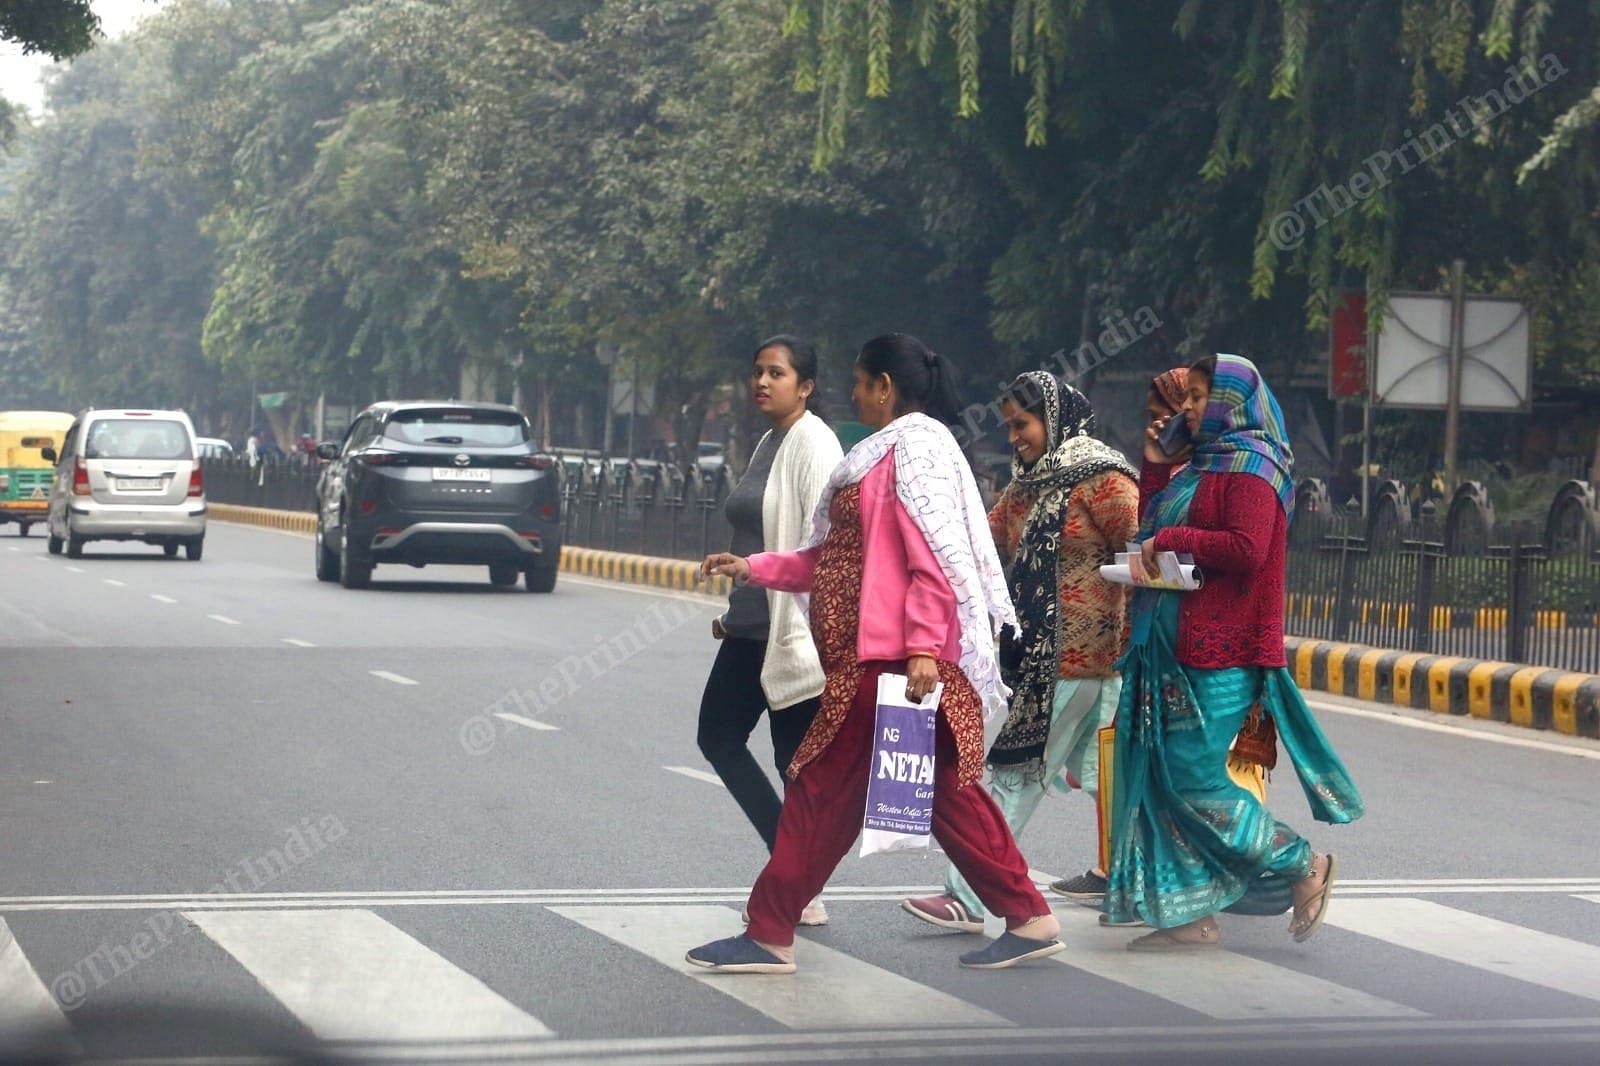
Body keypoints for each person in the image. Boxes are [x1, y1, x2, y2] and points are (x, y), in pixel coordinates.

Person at [688, 333, 1064, 973]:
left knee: (820, 787)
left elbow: (932, 564)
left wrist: (920, 647)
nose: (855, 393)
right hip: (885, 661)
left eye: (861, 382)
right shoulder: (883, 456)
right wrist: (754, 567)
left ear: (884, 386)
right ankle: (1029, 915)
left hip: (891, 663)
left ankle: (771, 929)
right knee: (944, 791)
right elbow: (828, 557)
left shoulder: (912, 455)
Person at [1104, 353, 1363, 951]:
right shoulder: (1201, 467)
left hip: (1217, 652)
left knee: (1193, 780)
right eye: (1188, 399)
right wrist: (1157, 464)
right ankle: (1189, 913)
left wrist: (1171, 537)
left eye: (1198, 397)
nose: (1188, 409)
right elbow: (1149, 526)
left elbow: (1247, 548)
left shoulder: (1253, 469)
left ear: (1232, 400)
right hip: (1166, 648)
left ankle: (1302, 864)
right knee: (1159, 781)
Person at [902, 372, 1139, 932]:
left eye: (1022, 424)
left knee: (1016, 776)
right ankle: (1153, 882)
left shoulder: (1104, 481)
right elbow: (982, 546)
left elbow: (1147, 552)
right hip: (1044, 659)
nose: (1014, 437)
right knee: (1109, 776)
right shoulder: (1029, 486)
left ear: (1053, 419)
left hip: (1075, 661)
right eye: (1009, 426)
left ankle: (967, 895)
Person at [696, 335, 842, 927]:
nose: (761, 382)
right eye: (756, 372)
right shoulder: (768, 441)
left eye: (775, 373)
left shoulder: (815, 445)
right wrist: (733, 616)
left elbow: (824, 546)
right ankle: (793, 869)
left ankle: (797, 881)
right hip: (750, 629)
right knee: (718, 737)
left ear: (804, 386)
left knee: (793, 764)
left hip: (793, 632)